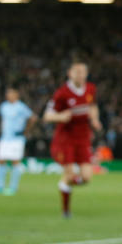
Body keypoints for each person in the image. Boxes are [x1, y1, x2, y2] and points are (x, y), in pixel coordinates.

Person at [43, 55, 102, 218]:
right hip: (65, 139)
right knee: (69, 174)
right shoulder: (62, 93)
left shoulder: (90, 89)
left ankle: (65, 184)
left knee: (87, 177)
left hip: (83, 139)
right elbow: (47, 116)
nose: (80, 74)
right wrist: (60, 117)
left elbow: (93, 106)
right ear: (69, 73)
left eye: (83, 71)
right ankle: (66, 210)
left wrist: (95, 119)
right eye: (77, 72)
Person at [0, 86, 35, 196]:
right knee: (0, 160)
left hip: (16, 138)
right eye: (7, 93)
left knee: (15, 161)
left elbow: (32, 118)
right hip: (5, 138)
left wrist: (26, 130)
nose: (9, 95)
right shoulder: (3, 106)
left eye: (11, 93)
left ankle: (13, 187)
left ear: (17, 95)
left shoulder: (21, 107)